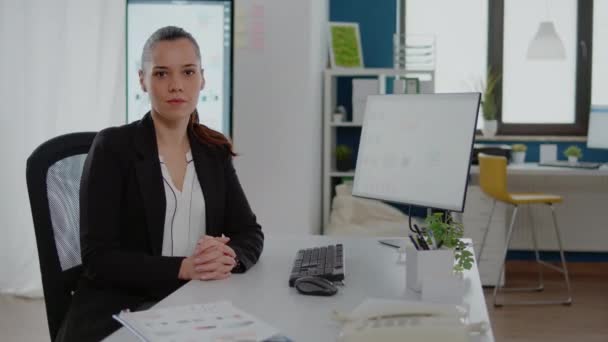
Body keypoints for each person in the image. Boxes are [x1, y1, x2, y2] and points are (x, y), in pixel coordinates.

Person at [56, 26, 264, 341]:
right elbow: (99, 257)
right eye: (162, 74)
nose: (177, 85)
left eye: (188, 72)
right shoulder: (113, 147)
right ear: (143, 80)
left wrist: (228, 256)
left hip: (195, 303)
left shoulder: (213, 150)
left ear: (202, 79)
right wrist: (184, 268)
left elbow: (249, 232)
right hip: (121, 308)